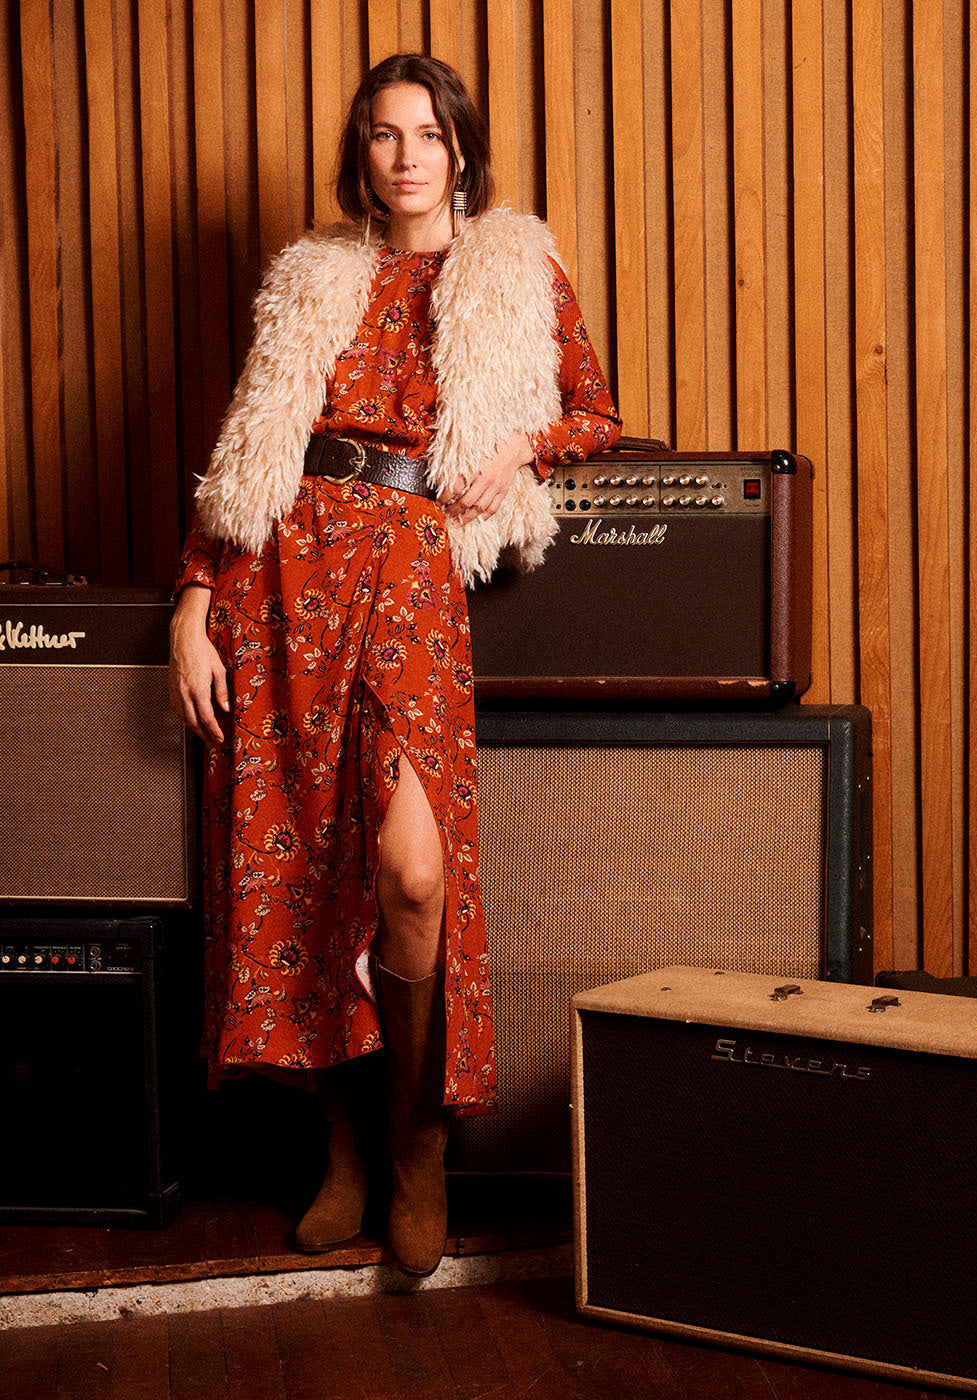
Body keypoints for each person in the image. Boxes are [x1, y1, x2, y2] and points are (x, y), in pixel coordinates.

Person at [168, 52, 621, 1278]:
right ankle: (345, 1149)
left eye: (427, 132)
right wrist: (193, 601)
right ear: (360, 153)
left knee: (411, 874)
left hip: (410, 567)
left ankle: (415, 1139)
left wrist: (516, 449)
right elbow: (250, 441)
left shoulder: (516, 267)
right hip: (283, 569)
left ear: (460, 150)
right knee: (305, 871)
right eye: (383, 134)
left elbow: (596, 410)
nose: (406, 153)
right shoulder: (312, 277)